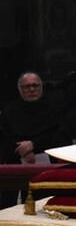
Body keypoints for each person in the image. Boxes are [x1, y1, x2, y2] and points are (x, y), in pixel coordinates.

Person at [0, 72, 62, 207]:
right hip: (15, 163)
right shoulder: (10, 111)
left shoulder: (54, 109)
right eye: (27, 86)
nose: (32, 89)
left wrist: (33, 145)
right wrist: (24, 151)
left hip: (45, 163)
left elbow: (57, 135)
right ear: (20, 89)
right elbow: (4, 136)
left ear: (41, 87)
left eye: (35, 85)